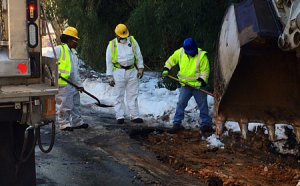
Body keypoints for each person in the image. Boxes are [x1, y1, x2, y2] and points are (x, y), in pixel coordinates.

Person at [162, 38, 211, 133]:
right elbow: (171, 59)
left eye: (191, 52)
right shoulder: (180, 52)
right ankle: (176, 123)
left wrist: (200, 81)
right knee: (181, 103)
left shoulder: (202, 56)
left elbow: (205, 71)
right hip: (185, 85)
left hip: (198, 86)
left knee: (203, 105)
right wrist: (166, 68)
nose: (189, 54)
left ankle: (205, 124)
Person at [46, 26, 88, 131]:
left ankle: (77, 121)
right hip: (63, 83)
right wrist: (55, 73)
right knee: (65, 104)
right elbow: (49, 62)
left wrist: (79, 85)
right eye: (75, 40)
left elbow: (75, 72)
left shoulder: (73, 53)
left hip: (72, 83)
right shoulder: (59, 49)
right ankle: (63, 123)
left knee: (76, 104)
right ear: (69, 40)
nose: (77, 43)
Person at [106, 24, 144, 124]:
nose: (122, 38)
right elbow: (109, 61)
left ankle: (135, 116)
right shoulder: (112, 45)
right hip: (118, 71)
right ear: (116, 35)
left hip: (132, 71)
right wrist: (110, 76)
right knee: (118, 95)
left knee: (133, 94)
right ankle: (120, 116)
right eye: (120, 37)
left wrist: (140, 68)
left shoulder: (132, 41)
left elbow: (139, 55)